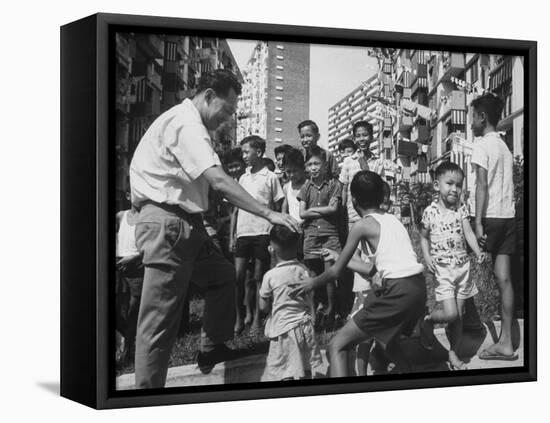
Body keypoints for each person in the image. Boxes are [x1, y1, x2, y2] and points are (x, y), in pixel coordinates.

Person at [129, 69, 299, 388]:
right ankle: (144, 397)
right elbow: (219, 181)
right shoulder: (187, 122)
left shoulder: (190, 123)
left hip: (186, 223)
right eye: (227, 109)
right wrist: (268, 213)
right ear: (208, 96)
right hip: (168, 222)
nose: (227, 118)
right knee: (159, 324)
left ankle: (211, 348)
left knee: (222, 277)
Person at [291, 171, 426, 376]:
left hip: (397, 291)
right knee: (389, 343)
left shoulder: (361, 225)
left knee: (337, 345)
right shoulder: (393, 220)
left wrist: (311, 284)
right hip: (418, 288)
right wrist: (338, 256)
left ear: (353, 199)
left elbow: (335, 273)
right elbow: (374, 269)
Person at [418, 162, 485, 370]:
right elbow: (423, 237)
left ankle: (453, 354)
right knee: (451, 314)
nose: (455, 189)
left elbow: (468, 233)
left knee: (459, 318)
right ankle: (428, 321)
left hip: (463, 269)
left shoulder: (461, 209)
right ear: (437, 185)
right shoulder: (430, 212)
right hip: (443, 271)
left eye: (458, 185)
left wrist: (477, 251)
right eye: (449, 183)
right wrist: (427, 256)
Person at [470, 93, 518, 361]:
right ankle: (507, 343)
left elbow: (481, 185)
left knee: (466, 270)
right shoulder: (504, 147)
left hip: (489, 217)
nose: (470, 122)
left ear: (482, 117)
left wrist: (477, 222)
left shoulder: (481, 145)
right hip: (508, 217)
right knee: (505, 279)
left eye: (472, 116)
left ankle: (463, 330)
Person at [233, 135, 285, 334]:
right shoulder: (243, 178)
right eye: (243, 152)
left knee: (257, 276)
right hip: (243, 232)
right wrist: (232, 235)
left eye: (247, 152)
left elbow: (278, 205)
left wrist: (275, 231)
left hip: (262, 231)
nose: (244, 156)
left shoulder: (270, 177)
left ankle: (256, 319)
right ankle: (239, 317)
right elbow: (236, 208)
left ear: (259, 153)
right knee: (239, 277)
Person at [259, 225, 322, 381]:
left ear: (272, 248)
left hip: (283, 330)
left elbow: (263, 306)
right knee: (306, 367)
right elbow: (310, 296)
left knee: (284, 370)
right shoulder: (303, 269)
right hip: (305, 327)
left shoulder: (270, 276)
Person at [298, 146, 342, 327]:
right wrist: (317, 211)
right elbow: (302, 214)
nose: (313, 167)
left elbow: (334, 209)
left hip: (329, 236)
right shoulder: (306, 187)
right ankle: (314, 316)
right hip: (311, 237)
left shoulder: (334, 185)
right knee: (313, 278)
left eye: (317, 163)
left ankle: (331, 312)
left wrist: (311, 210)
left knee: (330, 276)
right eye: (310, 164)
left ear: (325, 165)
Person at [115, 205, 143, 367]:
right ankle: (129, 338)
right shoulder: (120, 216)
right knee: (116, 309)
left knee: (134, 311)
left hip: (136, 267)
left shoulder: (147, 217)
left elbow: (151, 246)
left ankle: (130, 350)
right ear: (127, 195)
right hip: (119, 265)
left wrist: (134, 258)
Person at [281, 148, 307, 258]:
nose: (291, 175)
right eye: (288, 171)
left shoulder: (309, 185)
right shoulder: (287, 187)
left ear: (302, 168)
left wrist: (302, 223)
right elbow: (284, 211)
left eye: (295, 171)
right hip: (292, 232)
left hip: (308, 232)